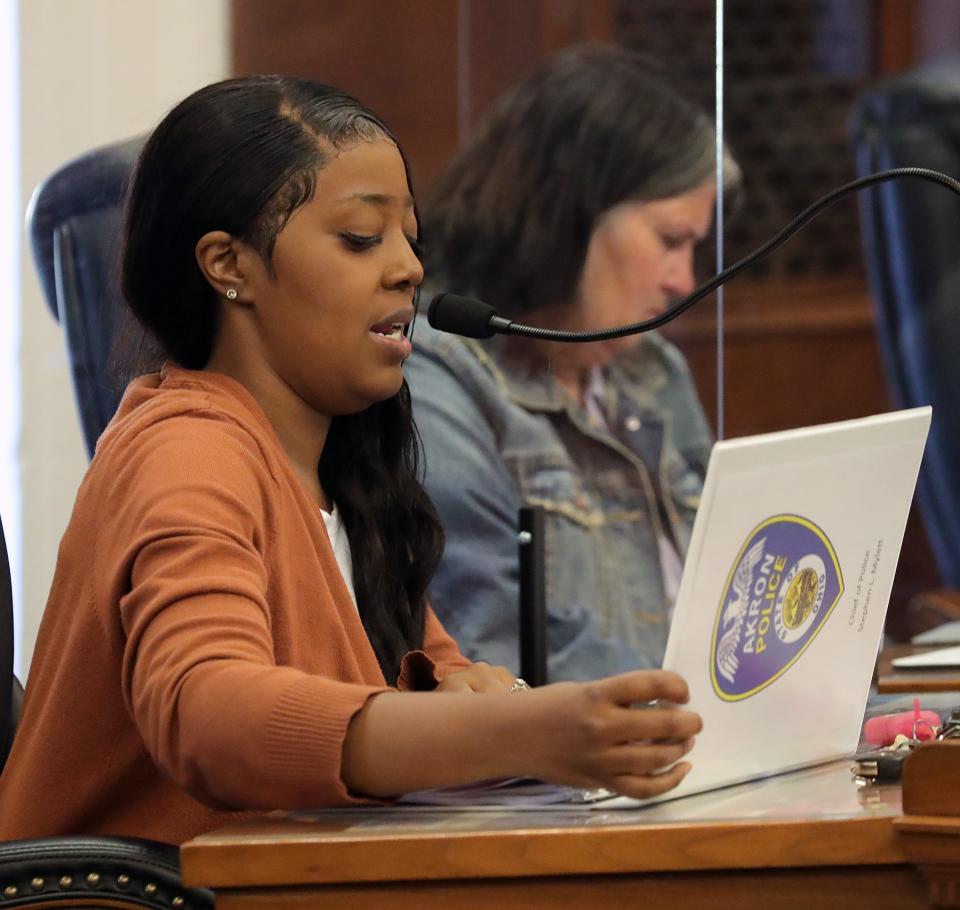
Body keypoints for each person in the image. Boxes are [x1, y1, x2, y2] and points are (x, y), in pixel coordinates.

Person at [0, 76, 701, 844]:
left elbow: (445, 684)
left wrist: (475, 698)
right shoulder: (184, 447)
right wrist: (521, 730)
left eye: (411, 240)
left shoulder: (353, 477)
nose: (407, 269)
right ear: (227, 265)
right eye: (363, 239)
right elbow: (208, 712)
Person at [406, 45, 741, 681]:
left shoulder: (654, 372)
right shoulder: (437, 377)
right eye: (671, 242)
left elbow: (735, 594)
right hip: (602, 762)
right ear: (566, 218)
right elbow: (495, 646)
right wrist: (709, 704)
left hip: (713, 745)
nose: (684, 281)